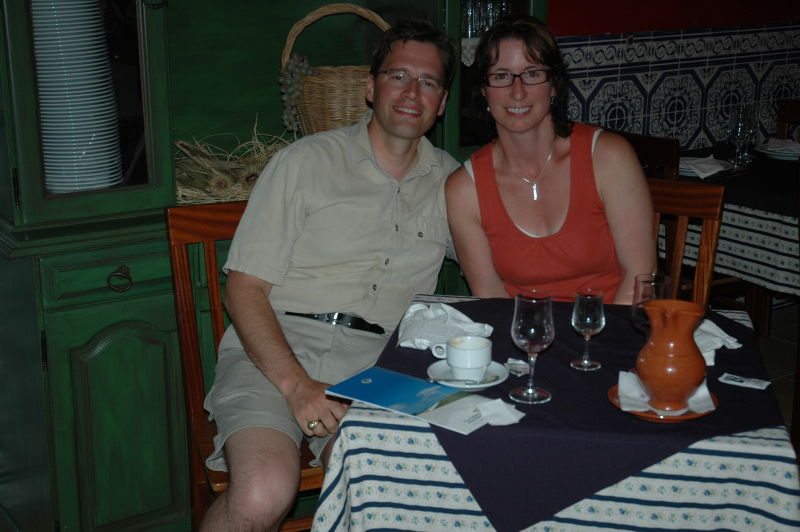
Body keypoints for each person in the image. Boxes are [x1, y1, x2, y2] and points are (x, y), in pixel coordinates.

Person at [200, 16, 459, 532]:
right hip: (275, 348)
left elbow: (503, 262)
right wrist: (295, 385)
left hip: (379, 367)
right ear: (370, 87)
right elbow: (244, 288)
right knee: (262, 493)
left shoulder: (455, 182)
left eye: (428, 82)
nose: (412, 93)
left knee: (395, 488)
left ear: (443, 101)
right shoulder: (303, 162)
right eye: (398, 76)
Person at [446, 15, 655, 305]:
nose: (517, 92)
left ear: (554, 85)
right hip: (520, 331)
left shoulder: (609, 158)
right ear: (484, 92)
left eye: (532, 73)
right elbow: (492, 300)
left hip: (611, 325)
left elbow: (640, 278)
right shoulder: (464, 190)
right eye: (501, 76)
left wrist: (600, 335)